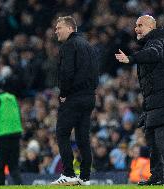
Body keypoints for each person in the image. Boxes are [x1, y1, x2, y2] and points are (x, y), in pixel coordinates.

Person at [115, 15, 164, 185]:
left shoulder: (157, 41)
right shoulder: (149, 44)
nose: (136, 29)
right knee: (153, 142)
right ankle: (157, 176)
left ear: (151, 28)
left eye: (140, 25)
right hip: (154, 103)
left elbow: (153, 54)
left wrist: (131, 58)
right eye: (135, 25)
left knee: (162, 141)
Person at [51, 16, 99, 186]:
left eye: (59, 28)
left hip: (73, 97)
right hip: (89, 97)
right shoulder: (88, 46)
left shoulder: (69, 46)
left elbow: (67, 73)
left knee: (62, 133)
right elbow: (95, 73)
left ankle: (68, 174)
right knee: (82, 137)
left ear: (70, 28)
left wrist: (64, 93)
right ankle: (85, 177)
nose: (56, 31)